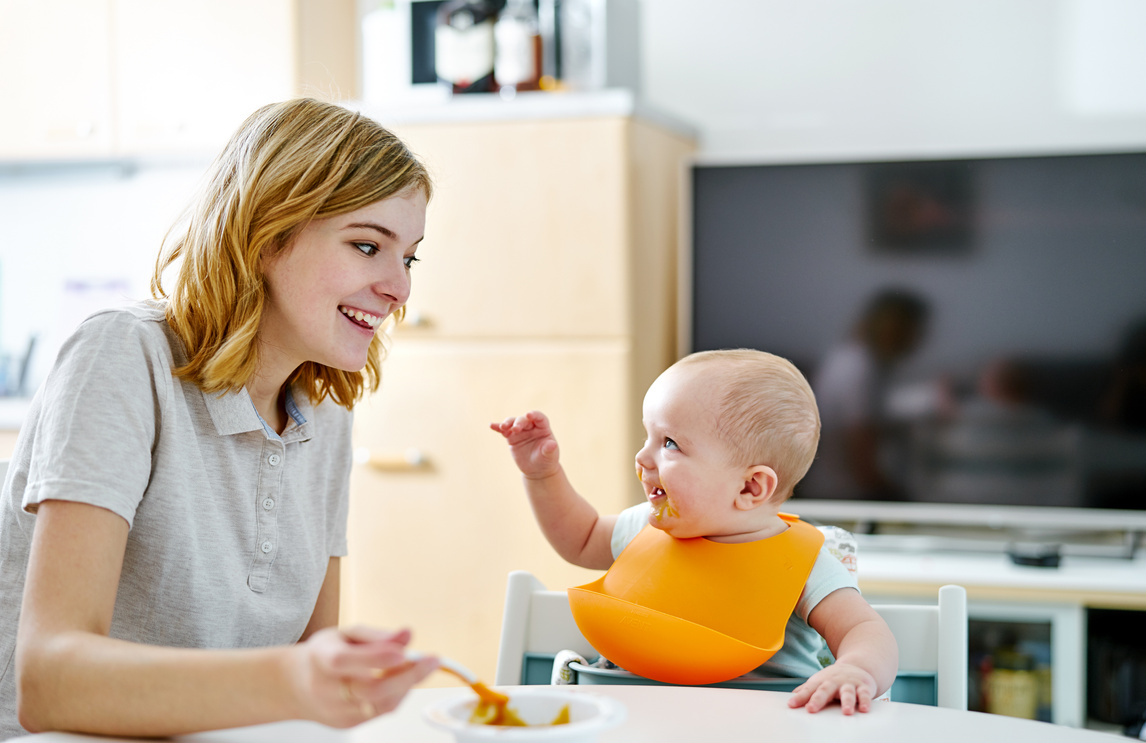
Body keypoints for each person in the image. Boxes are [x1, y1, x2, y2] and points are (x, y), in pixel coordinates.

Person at [0, 98, 441, 740]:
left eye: (409, 258)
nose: (399, 289)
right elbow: (49, 684)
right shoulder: (125, 357)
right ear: (267, 236)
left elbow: (307, 695)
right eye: (368, 245)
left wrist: (337, 681)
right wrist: (293, 680)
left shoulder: (326, 414)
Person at [491, 349, 898, 715]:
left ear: (749, 487)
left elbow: (865, 630)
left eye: (669, 443)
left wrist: (855, 670)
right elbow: (579, 539)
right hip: (638, 717)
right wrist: (543, 476)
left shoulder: (806, 562)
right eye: (647, 436)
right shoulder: (644, 528)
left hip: (762, 726)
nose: (643, 456)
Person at [801, 288, 932, 501]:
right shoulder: (859, 368)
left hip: (837, 492)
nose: (919, 339)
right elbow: (859, 447)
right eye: (915, 330)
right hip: (842, 496)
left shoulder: (852, 359)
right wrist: (895, 497)